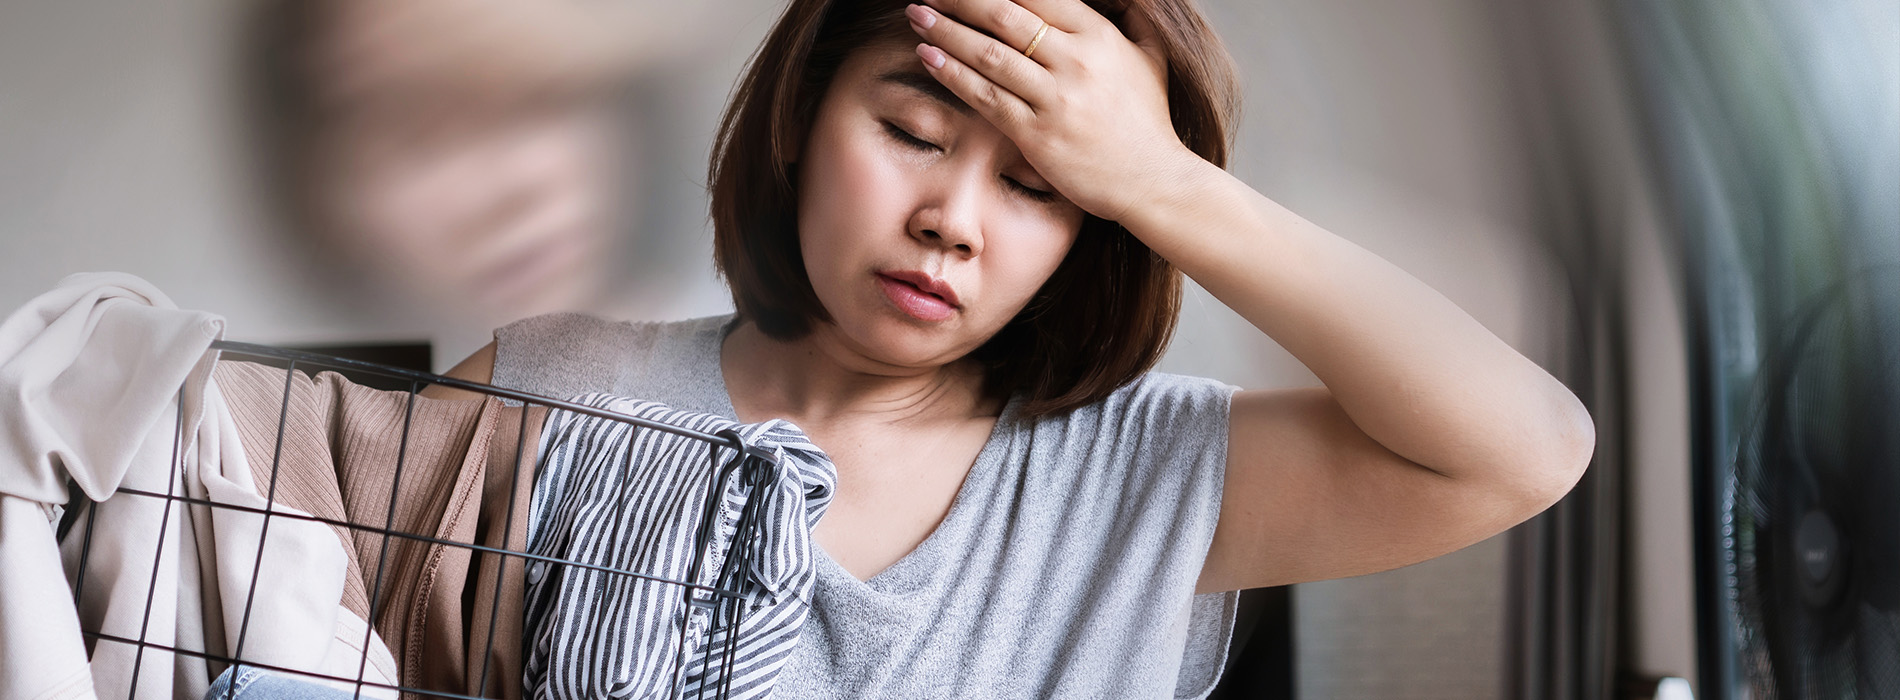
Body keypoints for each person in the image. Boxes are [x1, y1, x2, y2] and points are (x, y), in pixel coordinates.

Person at [427, 0, 1595, 695]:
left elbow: (1525, 449)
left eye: (1040, 186)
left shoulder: (1139, 471)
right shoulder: (549, 392)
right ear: (797, 119)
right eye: (909, 133)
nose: (952, 221)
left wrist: (1159, 178)